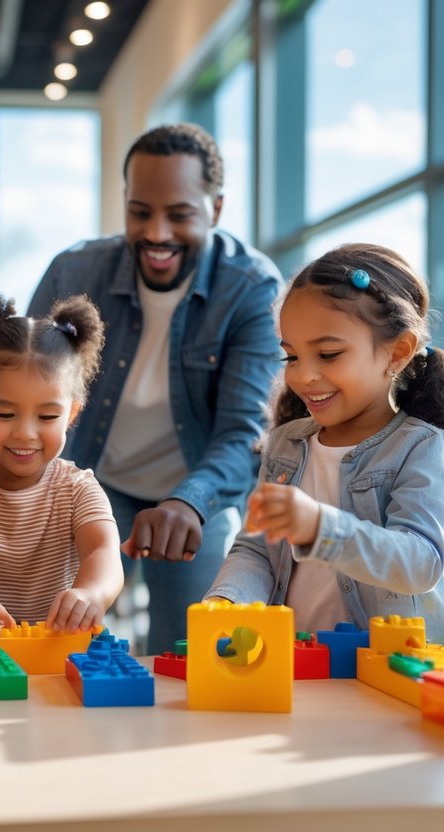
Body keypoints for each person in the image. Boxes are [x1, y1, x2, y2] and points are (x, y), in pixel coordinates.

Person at [28, 123, 284, 654]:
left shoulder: (251, 288)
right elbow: (27, 391)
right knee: (51, 640)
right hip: (93, 482)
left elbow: (244, 433)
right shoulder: (74, 273)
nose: (156, 233)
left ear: (216, 208)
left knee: (194, 652)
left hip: (195, 494)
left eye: (180, 215)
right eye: (140, 212)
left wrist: (190, 502)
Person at [204, 243, 444, 643]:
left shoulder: (423, 446)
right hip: (303, 661)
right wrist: (228, 599)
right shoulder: (285, 444)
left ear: (397, 353)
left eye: (328, 354)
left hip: (395, 665)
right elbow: (257, 550)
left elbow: (420, 563)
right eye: (291, 357)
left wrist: (321, 528)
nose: (303, 376)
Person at [0, 292, 124, 642]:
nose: (25, 433)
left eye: (47, 416)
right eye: (4, 414)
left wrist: (91, 593)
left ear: (71, 415)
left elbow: (103, 552)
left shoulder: (78, 488)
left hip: (60, 652)